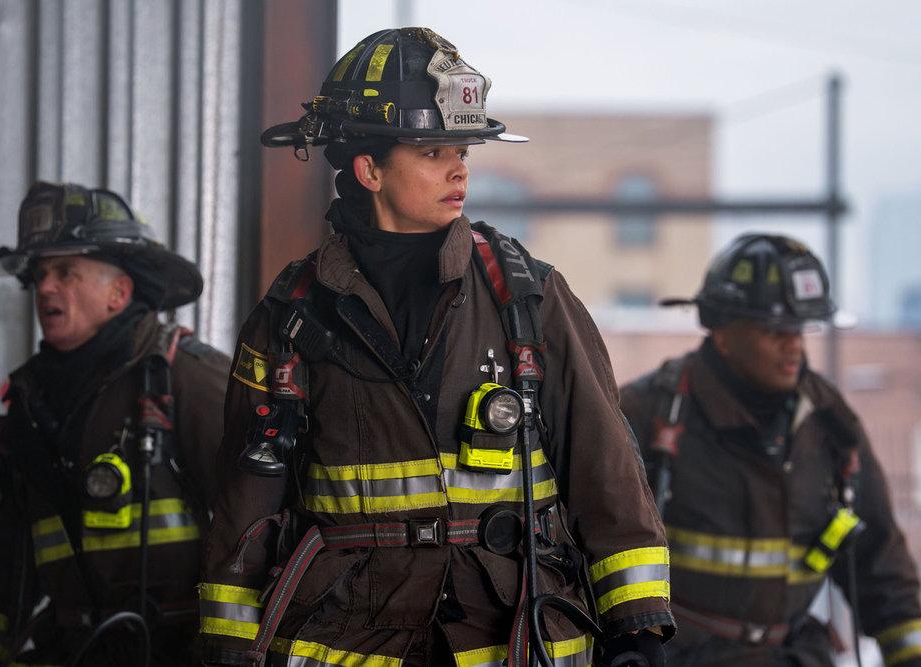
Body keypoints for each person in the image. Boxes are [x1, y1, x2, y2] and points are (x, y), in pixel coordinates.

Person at [199, 27, 673, 667]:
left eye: (462, 151)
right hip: (346, 638)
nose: (459, 170)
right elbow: (245, 501)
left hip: (504, 636)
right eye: (431, 152)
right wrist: (227, 641)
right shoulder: (291, 316)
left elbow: (605, 468)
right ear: (369, 170)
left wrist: (635, 627)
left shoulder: (528, 299)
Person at [0, 181, 231, 666]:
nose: (45, 288)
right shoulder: (32, 402)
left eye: (66, 272)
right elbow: (8, 561)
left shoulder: (185, 376)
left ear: (119, 292)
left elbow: (260, 527)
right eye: (40, 274)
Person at [619, 233, 921, 666]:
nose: (794, 345)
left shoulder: (830, 423)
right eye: (775, 330)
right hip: (681, 655)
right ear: (723, 333)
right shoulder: (649, 415)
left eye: (801, 329)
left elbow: (881, 564)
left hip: (793, 655)